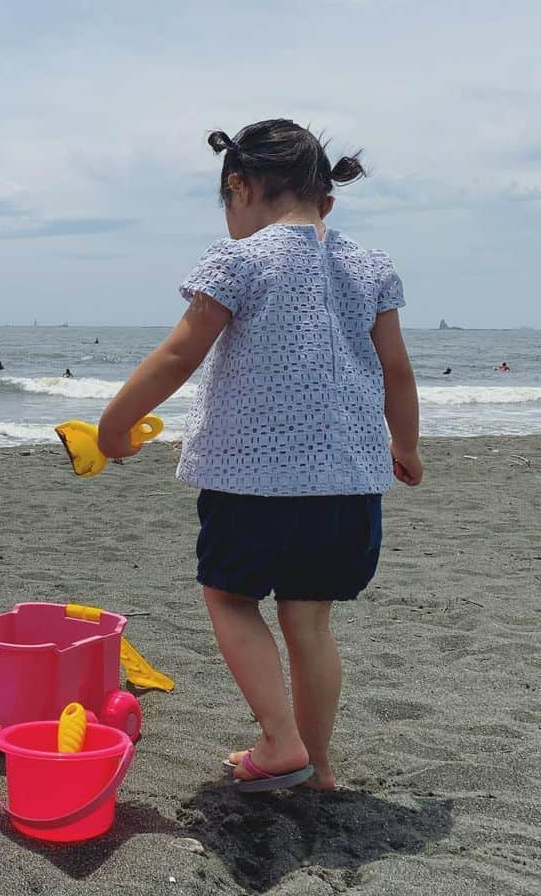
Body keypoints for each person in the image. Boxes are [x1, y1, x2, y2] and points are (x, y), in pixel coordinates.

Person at [96, 119, 421, 794]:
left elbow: (180, 354)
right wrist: (406, 444)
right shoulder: (369, 266)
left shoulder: (239, 260)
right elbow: (397, 371)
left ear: (239, 186)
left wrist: (114, 423)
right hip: (348, 488)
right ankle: (317, 765)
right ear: (324, 200)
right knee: (309, 622)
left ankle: (279, 741)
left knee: (230, 597)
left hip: (252, 483)